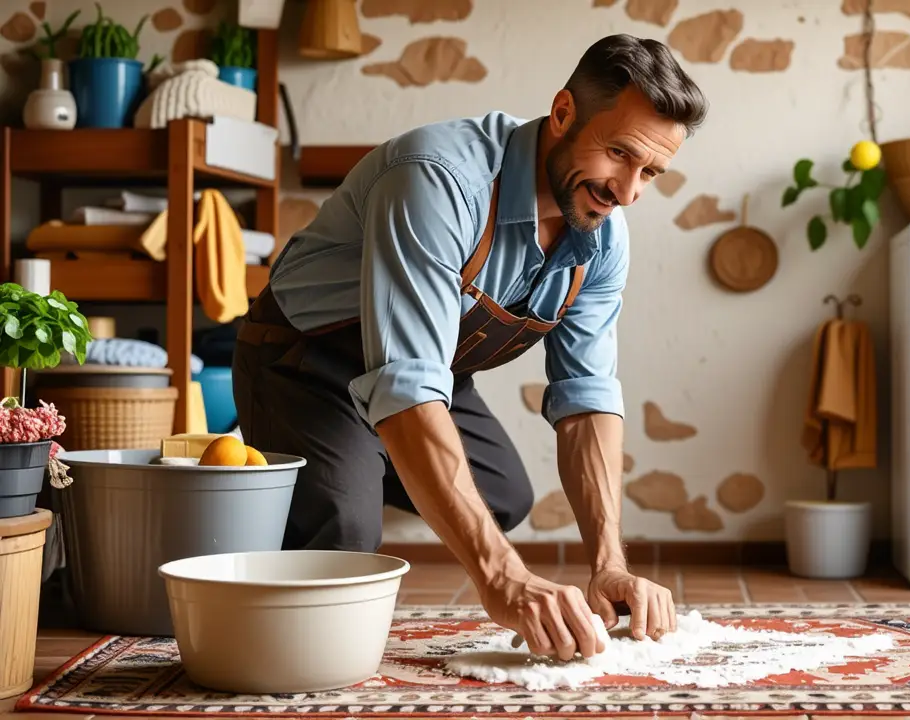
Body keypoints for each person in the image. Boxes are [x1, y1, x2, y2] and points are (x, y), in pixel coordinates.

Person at [231, 34, 709, 663]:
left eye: (650, 171)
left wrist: (608, 564)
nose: (628, 190)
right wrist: (501, 579)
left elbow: (586, 399)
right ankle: (303, 500)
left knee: (502, 496)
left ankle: (352, 467)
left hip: (426, 376)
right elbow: (404, 387)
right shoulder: (436, 179)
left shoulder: (601, 234)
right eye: (618, 153)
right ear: (563, 113)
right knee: (345, 540)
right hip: (303, 362)